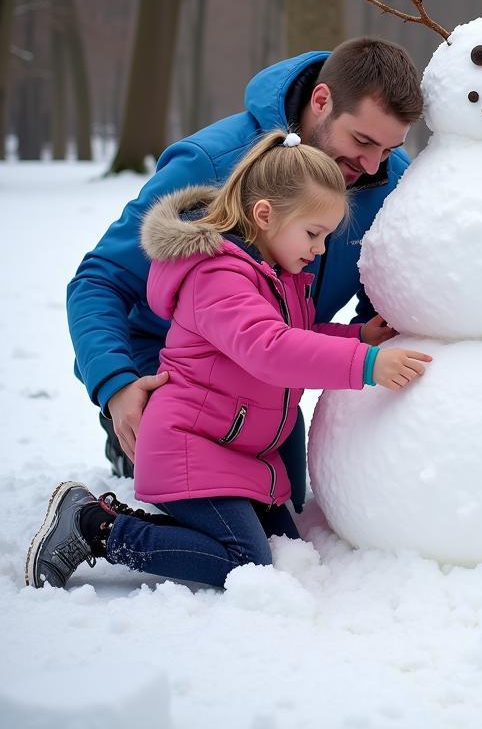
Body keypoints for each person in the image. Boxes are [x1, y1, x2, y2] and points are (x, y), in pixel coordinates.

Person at [28, 132, 433, 589]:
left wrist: (358, 334)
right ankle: (94, 528)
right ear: (265, 215)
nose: (320, 249)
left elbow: (297, 336)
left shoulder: (277, 276)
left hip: (237, 450)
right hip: (189, 446)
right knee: (246, 561)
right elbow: (270, 348)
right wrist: (365, 362)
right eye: (314, 234)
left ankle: (137, 524)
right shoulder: (217, 275)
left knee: (286, 543)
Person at [66, 37, 422, 509]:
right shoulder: (210, 163)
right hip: (177, 382)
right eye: (362, 141)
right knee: (226, 518)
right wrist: (117, 384)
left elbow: (389, 294)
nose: (373, 164)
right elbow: (99, 281)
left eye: (390, 147)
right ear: (322, 101)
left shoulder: (390, 178)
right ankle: (126, 451)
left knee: (288, 509)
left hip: (269, 379)